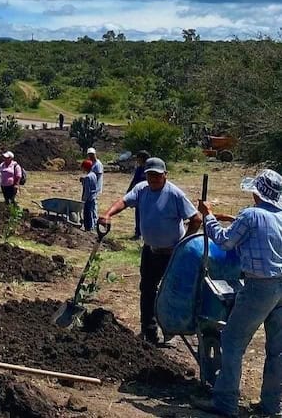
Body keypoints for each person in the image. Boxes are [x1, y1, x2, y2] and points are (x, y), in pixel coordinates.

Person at [191, 169, 282, 418]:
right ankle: (272, 405)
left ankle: (225, 401)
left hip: (259, 286)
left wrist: (208, 215)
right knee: (277, 349)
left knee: (232, 341)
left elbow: (224, 241)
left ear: (257, 193)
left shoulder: (251, 215)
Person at [99, 157, 202, 344]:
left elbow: (196, 219)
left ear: (165, 175)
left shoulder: (175, 194)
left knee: (171, 292)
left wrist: (183, 243)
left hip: (172, 254)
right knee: (147, 289)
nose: (153, 179)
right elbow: (124, 201)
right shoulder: (141, 189)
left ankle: (170, 331)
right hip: (150, 250)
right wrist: (107, 214)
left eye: (157, 175)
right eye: (150, 175)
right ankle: (149, 332)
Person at [127, 150, 151, 240]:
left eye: (138, 158)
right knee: (138, 213)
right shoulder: (139, 168)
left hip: (148, 195)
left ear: (142, 158)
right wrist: (129, 191)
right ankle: (138, 233)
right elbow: (134, 180)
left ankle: (145, 233)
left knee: (146, 215)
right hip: (140, 195)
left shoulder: (149, 169)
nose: (137, 160)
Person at [80, 159, 99, 231]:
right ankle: (92, 227)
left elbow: (87, 190)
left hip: (88, 198)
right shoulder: (94, 175)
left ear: (85, 168)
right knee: (92, 213)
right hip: (93, 197)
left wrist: (84, 200)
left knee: (87, 215)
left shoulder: (88, 177)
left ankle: (88, 229)